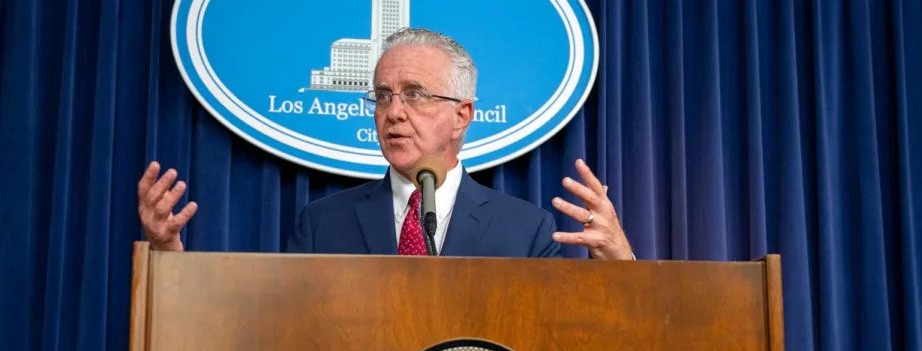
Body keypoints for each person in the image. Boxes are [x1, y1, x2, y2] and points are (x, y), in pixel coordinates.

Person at [137, 28, 635, 260]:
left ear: (462, 114)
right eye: (382, 96)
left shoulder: (526, 230)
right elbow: (269, 332)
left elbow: (575, 344)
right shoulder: (321, 225)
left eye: (414, 95)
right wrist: (167, 252)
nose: (393, 112)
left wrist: (619, 262)